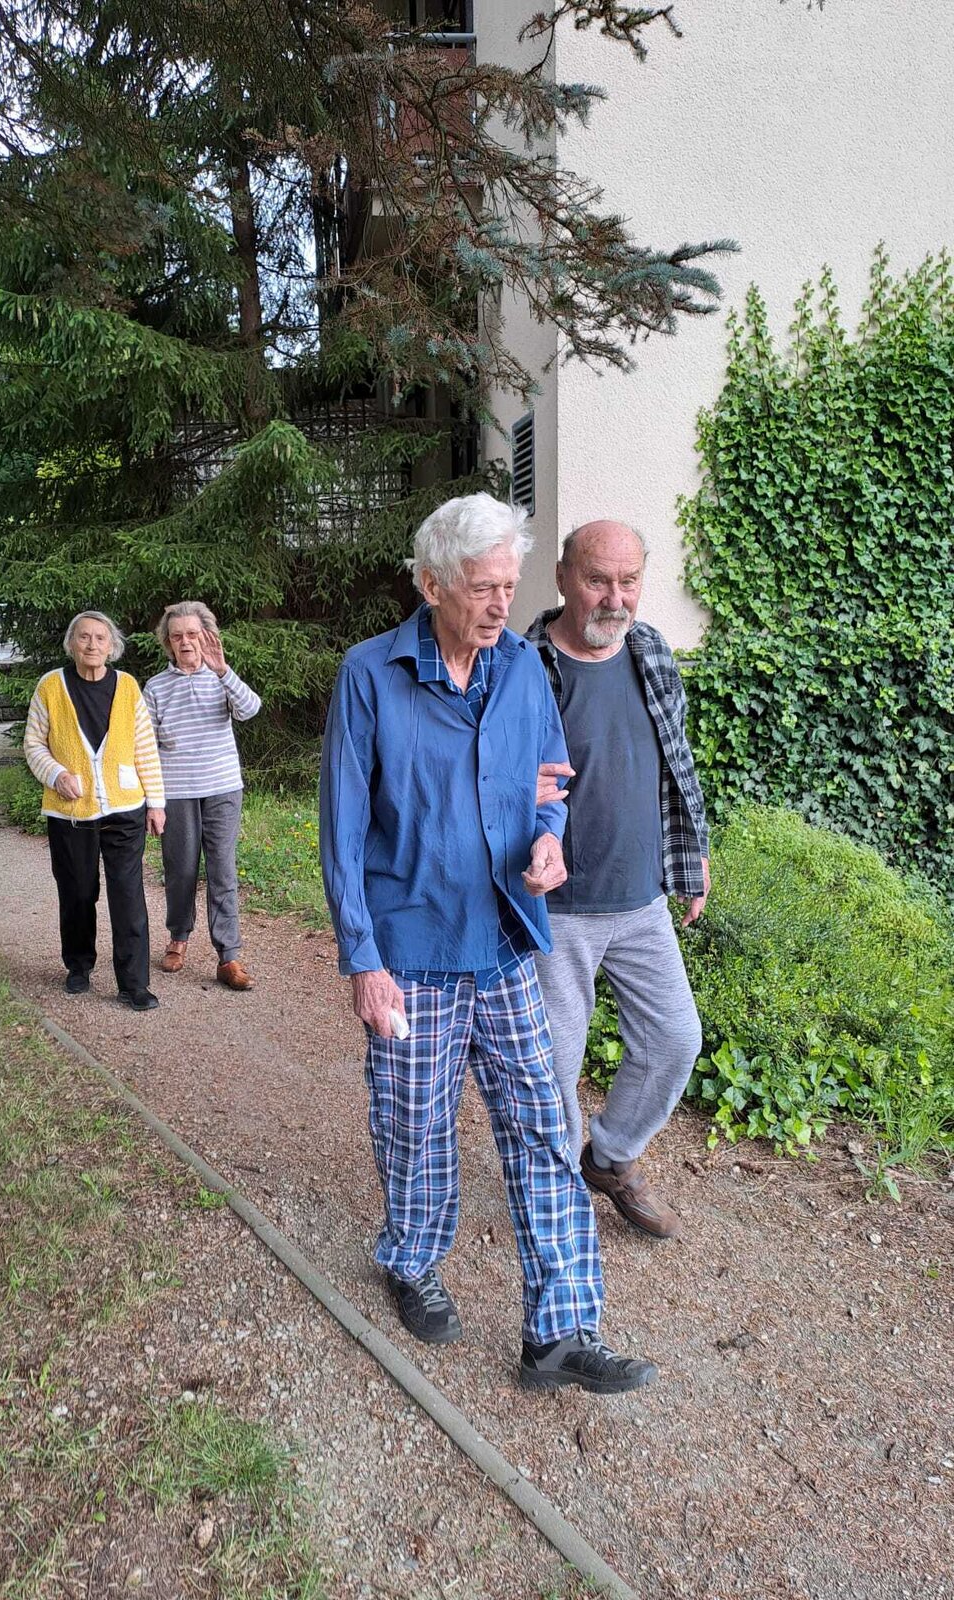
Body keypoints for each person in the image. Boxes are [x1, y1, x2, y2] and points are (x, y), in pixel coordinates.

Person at [320, 492, 656, 1395]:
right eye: (483, 587)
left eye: (510, 584)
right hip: (411, 950)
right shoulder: (371, 674)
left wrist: (548, 841)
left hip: (506, 943)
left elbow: (550, 783)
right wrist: (363, 960)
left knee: (545, 1129)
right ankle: (413, 1260)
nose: (503, 603)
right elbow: (342, 832)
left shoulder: (521, 670)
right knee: (416, 1126)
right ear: (432, 585)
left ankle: (562, 1331)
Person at [527, 520, 710, 1241]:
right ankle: (555, 1191)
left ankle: (609, 1158)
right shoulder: (521, 665)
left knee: (674, 1039)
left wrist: (691, 856)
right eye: (598, 579)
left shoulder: (651, 649)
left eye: (628, 581)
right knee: (553, 1066)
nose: (615, 597)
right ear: (563, 578)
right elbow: (484, 776)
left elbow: (676, 761)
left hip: (642, 902)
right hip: (557, 909)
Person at [24, 611, 165, 1011]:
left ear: (112, 646)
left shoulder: (127, 686)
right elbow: (33, 743)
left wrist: (156, 802)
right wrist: (56, 774)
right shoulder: (51, 686)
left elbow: (144, 747)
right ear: (71, 644)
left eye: (100, 638)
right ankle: (79, 965)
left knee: (128, 895)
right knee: (78, 892)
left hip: (125, 808)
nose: (92, 644)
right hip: (71, 812)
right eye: (84, 637)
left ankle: (134, 983)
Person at [143, 601, 262, 991]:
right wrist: (152, 800)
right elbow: (145, 745)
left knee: (222, 870)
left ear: (206, 637)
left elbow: (250, 709)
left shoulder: (221, 676)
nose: (185, 642)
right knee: (180, 870)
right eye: (177, 636)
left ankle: (228, 955)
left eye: (192, 634)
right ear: (168, 642)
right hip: (177, 791)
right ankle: (178, 937)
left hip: (222, 787)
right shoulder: (156, 687)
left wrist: (223, 670)